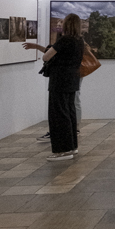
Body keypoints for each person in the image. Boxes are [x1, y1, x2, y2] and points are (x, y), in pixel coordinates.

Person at [23, 13, 84, 161]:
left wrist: (42, 50)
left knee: (58, 115)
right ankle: (72, 147)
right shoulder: (79, 41)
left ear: (66, 24)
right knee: (69, 113)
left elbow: (47, 57)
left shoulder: (64, 40)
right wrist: (38, 46)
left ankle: (63, 150)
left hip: (60, 81)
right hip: (72, 80)